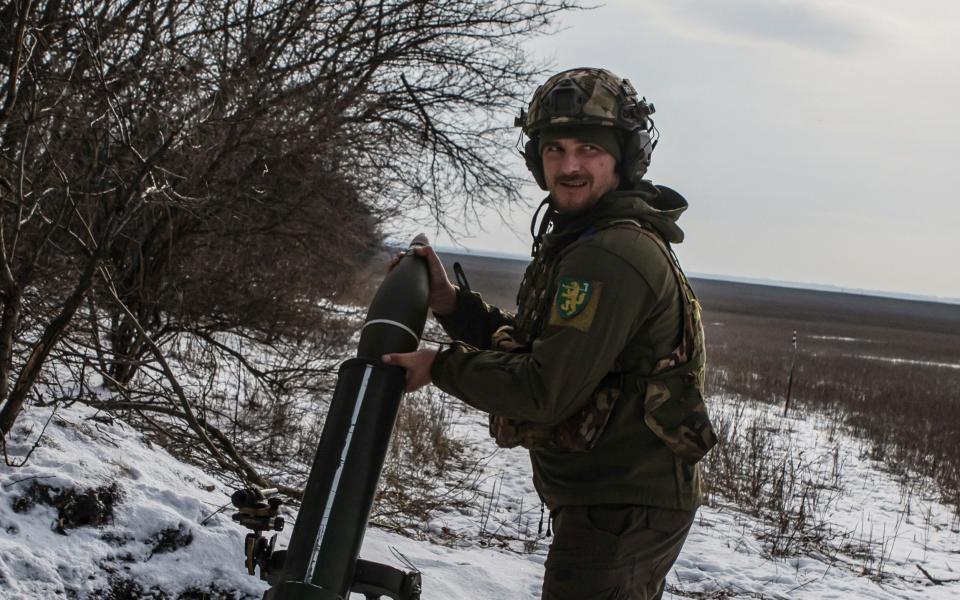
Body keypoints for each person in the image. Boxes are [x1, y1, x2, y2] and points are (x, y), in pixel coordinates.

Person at [383, 67, 717, 600]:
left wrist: (439, 366)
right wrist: (451, 306)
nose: (570, 166)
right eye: (555, 150)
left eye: (589, 148)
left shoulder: (610, 254)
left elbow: (543, 388)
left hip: (621, 507)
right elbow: (533, 346)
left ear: (624, 158)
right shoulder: (587, 239)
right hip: (612, 499)